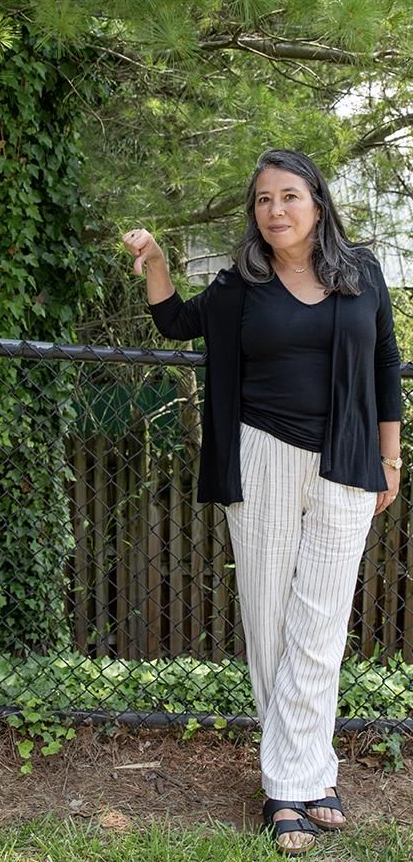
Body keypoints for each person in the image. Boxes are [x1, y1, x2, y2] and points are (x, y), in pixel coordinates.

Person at [123, 149, 401, 856]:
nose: (275, 211)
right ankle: (300, 784)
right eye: (263, 201)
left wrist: (391, 457)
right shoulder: (242, 283)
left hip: (346, 459)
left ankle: (299, 776)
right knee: (272, 620)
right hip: (263, 457)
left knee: (322, 624)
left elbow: (384, 367)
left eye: (289, 196)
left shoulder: (362, 273)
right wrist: (155, 261)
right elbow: (177, 323)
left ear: (317, 202)